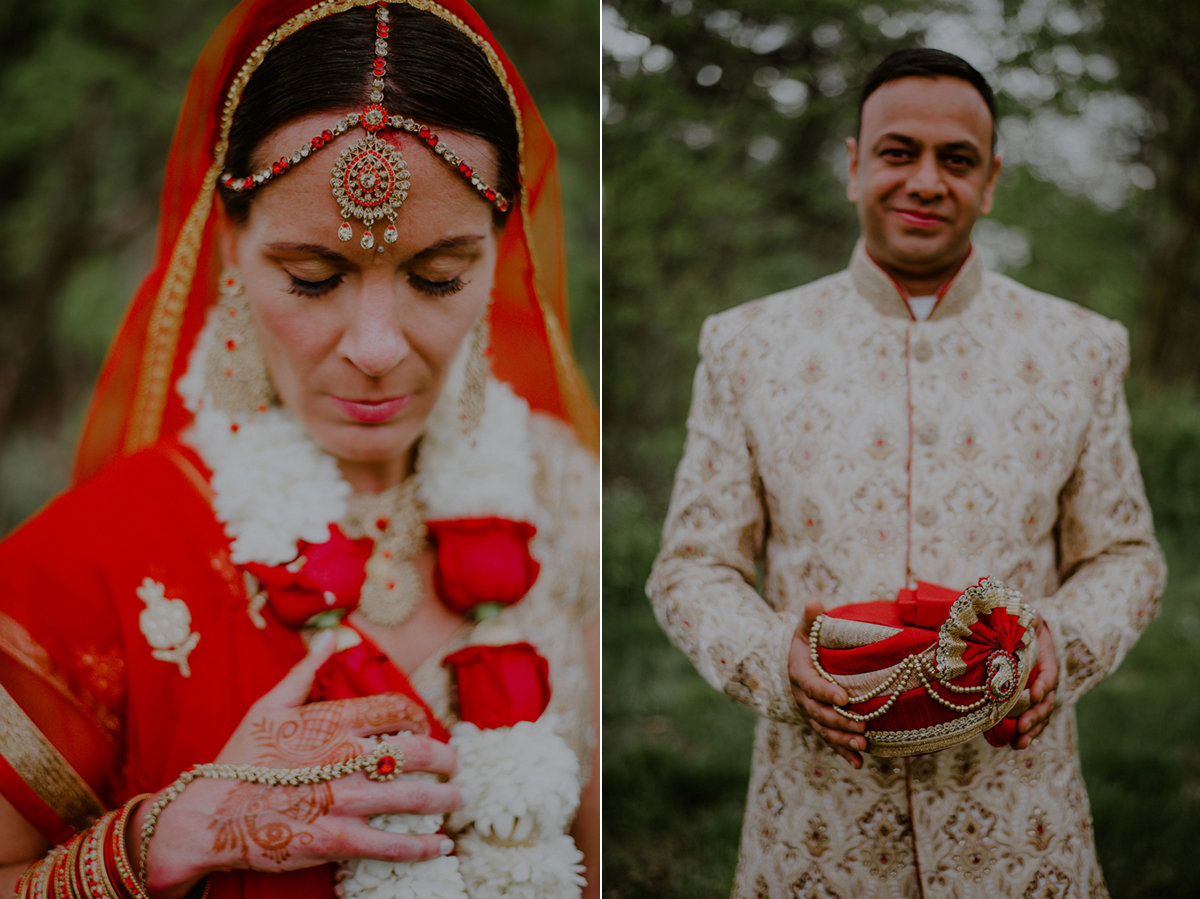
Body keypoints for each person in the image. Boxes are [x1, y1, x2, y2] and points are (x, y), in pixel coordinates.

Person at [0, 1, 599, 897]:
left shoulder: (562, 493)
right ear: (231, 245)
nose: (376, 346)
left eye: (438, 276)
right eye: (314, 278)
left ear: (499, 254)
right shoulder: (87, 561)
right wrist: (158, 839)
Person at [647, 48, 1164, 898]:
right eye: (898, 152)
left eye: (956, 160)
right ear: (854, 166)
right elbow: (691, 563)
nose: (927, 181)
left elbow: (1126, 555)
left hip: (1017, 823)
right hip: (816, 827)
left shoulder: (1081, 348)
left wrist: (1057, 644)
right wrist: (775, 658)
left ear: (989, 182)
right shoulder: (747, 345)